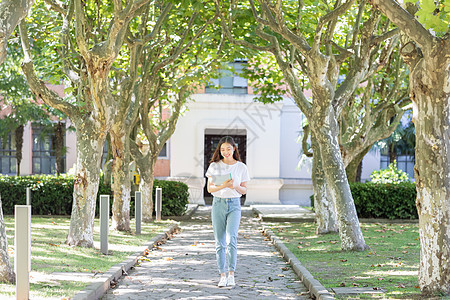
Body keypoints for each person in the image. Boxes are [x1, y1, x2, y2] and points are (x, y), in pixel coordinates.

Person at [205, 136, 250, 288]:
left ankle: (231, 274)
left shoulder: (241, 167)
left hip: (234, 205)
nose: (226, 152)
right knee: (220, 242)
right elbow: (210, 189)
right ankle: (222, 275)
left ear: (234, 149)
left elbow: (244, 190)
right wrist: (224, 185)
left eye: (228, 149)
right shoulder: (214, 166)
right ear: (220, 150)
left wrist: (235, 186)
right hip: (218, 204)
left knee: (232, 240)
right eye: (222, 149)